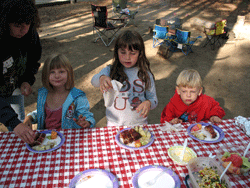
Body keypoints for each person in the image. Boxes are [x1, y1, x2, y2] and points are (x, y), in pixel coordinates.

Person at [91, 30, 158, 127]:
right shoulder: (109, 70)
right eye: (123, 52)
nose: (127, 57)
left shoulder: (145, 74)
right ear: (117, 52)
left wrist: (148, 103)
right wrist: (102, 78)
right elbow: (93, 81)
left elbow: (154, 99)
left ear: (140, 54)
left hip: (139, 124)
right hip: (114, 124)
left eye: (133, 53)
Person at [0, 0, 42, 143]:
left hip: (15, 88)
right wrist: (13, 122)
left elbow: (33, 60)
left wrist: (26, 80)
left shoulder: (30, 34)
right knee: (15, 123)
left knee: (20, 125)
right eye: (18, 26)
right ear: (5, 22)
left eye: (28, 24)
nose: (24, 30)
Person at [23, 54, 96, 129]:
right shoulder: (43, 94)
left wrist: (87, 122)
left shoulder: (78, 96)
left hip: (68, 138)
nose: (57, 76)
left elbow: (87, 116)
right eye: (52, 72)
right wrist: (30, 117)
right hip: (46, 138)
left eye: (61, 72)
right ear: (46, 75)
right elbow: (41, 113)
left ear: (69, 73)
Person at [160, 69, 225, 125]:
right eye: (184, 91)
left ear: (199, 91)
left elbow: (216, 108)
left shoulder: (205, 101)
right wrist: (172, 121)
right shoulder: (173, 104)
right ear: (178, 90)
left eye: (193, 91)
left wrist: (214, 116)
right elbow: (164, 119)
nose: (188, 95)